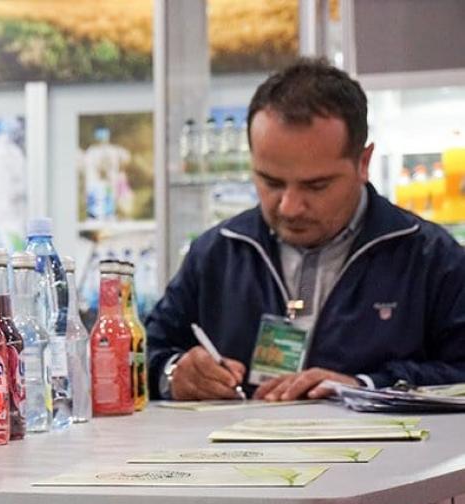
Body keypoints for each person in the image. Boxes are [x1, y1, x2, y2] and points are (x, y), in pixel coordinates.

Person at [147, 58, 465, 402]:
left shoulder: (433, 258)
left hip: (380, 439)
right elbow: (141, 353)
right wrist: (172, 373)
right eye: (271, 182)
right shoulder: (217, 253)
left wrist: (366, 386)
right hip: (239, 437)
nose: (289, 207)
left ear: (363, 163)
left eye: (316, 186)